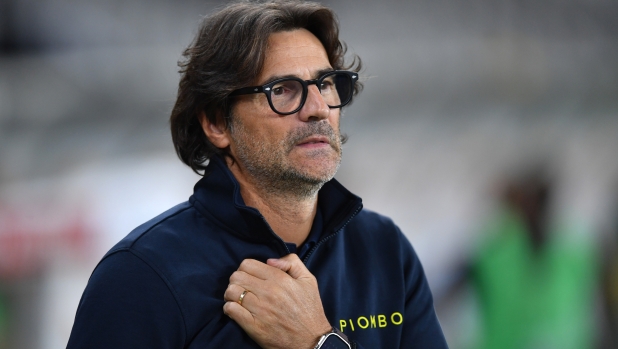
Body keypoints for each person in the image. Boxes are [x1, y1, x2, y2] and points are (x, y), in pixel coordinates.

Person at [66, 1, 448, 348]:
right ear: (217, 122)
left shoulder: (384, 250)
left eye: (326, 84)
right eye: (282, 90)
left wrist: (316, 342)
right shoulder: (140, 276)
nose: (318, 108)